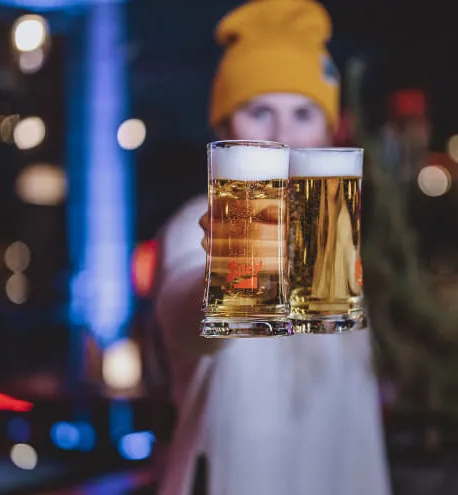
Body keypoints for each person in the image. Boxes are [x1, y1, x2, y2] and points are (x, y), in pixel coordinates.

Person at [152, 1, 392, 494]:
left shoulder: (330, 233)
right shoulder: (197, 226)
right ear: (225, 129)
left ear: (332, 130)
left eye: (304, 113)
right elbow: (182, 320)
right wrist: (229, 270)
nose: (282, 135)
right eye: (260, 110)